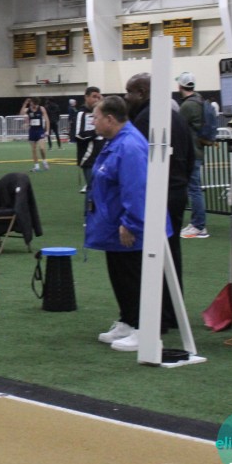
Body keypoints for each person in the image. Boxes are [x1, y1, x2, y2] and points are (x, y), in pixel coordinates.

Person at [86, 96, 168, 352]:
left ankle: (144, 329)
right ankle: (128, 321)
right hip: (113, 224)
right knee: (120, 275)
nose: (93, 122)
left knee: (133, 277)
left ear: (110, 119)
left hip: (130, 227)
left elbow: (136, 188)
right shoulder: (116, 142)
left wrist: (130, 223)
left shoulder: (130, 145)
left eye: (96, 117)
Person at [126, 73, 195, 334]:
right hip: (177, 191)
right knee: (172, 252)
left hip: (159, 194)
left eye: (129, 92)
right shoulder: (176, 117)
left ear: (142, 92)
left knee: (150, 254)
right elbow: (190, 158)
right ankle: (173, 312)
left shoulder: (145, 120)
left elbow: (139, 162)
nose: (126, 97)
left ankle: (157, 317)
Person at [176, 72, 209, 239]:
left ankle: (199, 225)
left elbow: (178, 126)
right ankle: (197, 223)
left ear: (180, 86)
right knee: (194, 188)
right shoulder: (199, 100)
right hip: (197, 149)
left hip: (192, 152)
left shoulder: (188, 106)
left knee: (194, 189)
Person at [73, 87, 103, 192]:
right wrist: (97, 131)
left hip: (102, 156)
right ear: (86, 97)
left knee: (101, 190)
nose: (96, 99)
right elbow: (79, 135)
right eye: (94, 97)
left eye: (98, 97)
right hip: (88, 158)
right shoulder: (81, 114)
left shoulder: (101, 113)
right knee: (93, 190)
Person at [20, 97, 50, 172]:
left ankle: (44, 161)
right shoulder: (28, 109)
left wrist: (47, 130)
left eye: (33, 103)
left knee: (42, 148)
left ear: (36, 103)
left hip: (40, 131)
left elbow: (47, 120)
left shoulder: (41, 109)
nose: (32, 105)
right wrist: (25, 103)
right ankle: (36, 166)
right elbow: (21, 114)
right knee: (33, 149)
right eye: (31, 103)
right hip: (32, 131)